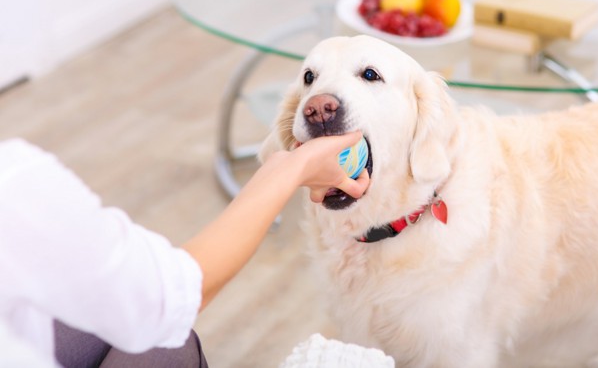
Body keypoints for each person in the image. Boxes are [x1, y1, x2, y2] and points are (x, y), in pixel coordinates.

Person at [0, 132, 370, 367]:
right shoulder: (15, 183)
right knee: (165, 345)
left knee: (107, 316)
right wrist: (291, 168)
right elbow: (174, 294)